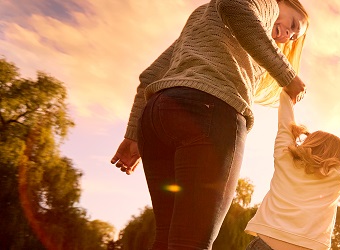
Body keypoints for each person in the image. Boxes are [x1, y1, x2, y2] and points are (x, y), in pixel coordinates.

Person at [108, 0, 311, 248]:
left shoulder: (203, 16)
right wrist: (287, 75)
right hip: (210, 112)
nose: (288, 34)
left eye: (293, 36)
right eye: (292, 23)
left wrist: (133, 136)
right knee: (192, 242)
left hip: (156, 119)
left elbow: (150, 76)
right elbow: (235, 6)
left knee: (167, 237)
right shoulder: (266, 4)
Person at [244, 92, 340, 250]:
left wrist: (288, 94)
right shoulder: (338, 173)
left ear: (309, 143)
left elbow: (285, 122)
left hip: (266, 243)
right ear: (339, 155)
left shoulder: (285, 157)